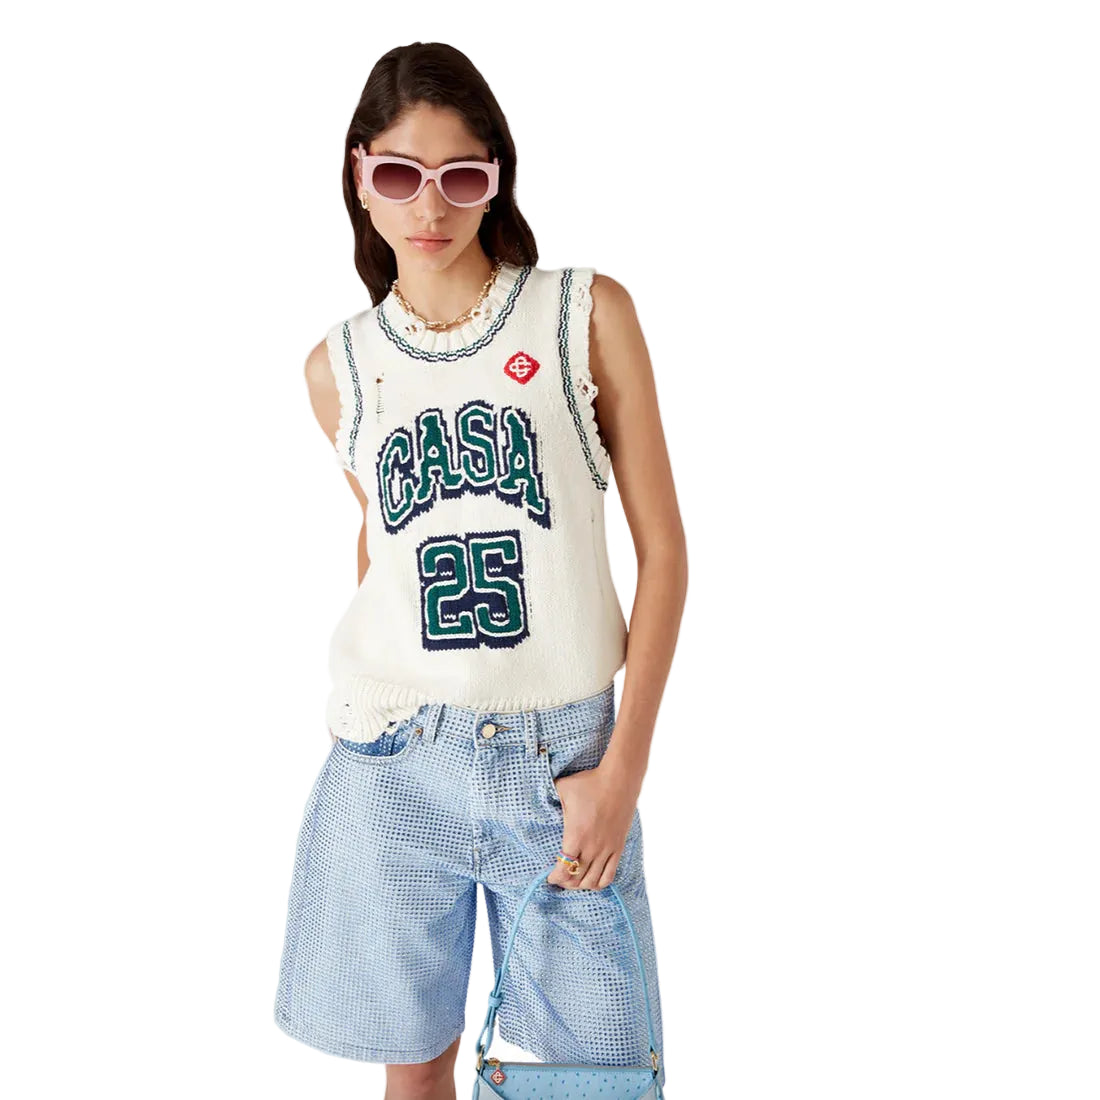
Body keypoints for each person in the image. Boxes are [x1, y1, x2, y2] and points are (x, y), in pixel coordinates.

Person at [274, 41, 687, 1100]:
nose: (429, 206)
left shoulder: (581, 315)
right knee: (414, 1069)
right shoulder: (339, 368)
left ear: (496, 177)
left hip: (564, 762)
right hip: (394, 761)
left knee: (593, 1077)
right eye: (399, 173)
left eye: (460, 175)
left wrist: (623, 773)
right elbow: (382, 545)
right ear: (360, 175)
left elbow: (665, 552)